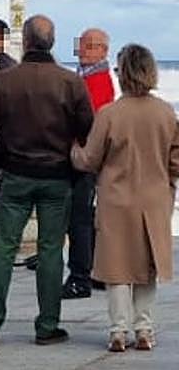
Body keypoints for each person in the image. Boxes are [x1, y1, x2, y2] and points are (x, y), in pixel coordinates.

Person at [0, 15, 93, 347]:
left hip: (15, 174)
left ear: (25, 42)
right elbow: (88, 132)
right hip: (56, 177)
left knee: (5, 251)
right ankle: (47, 325)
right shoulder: (71, 82)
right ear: (51, 42)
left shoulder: (4, 81)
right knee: (51, 250)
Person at [71, 44, 179, 352]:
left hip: (116, 199)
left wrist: (72, 150)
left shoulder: (109, 114)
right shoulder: (165, 112)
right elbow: (176, 159)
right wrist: (167, 180)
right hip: (155, 198)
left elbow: (89, 160)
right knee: (147, 266)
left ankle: (118, 331)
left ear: (123, 73)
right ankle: (144, 327)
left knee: (116, 266)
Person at [64, 27, 117, 301]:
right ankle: (94, 272)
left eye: (91, 45)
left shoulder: (98, 79)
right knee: (85, 216)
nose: (84, 49)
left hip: (85, 156)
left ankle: (80, 276)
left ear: (103, 51)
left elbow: (91, 121)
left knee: (80, 218)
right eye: (82, 44)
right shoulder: (86, 76)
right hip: (84, 155)